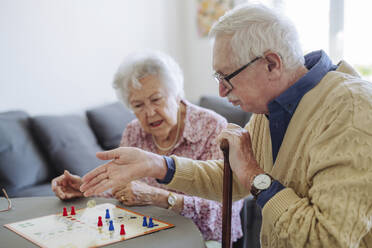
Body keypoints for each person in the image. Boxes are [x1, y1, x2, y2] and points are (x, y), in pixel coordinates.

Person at [79, 3, 372, 248]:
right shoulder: (271, 107)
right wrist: (156, 164)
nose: (220, 92)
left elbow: (326, 239)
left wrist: (254, 174)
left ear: (271, 63)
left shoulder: (352, 109)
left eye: (226, 77)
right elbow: (229, 177)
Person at [51, 50, 244, 245]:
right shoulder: (133, 132)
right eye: (138, 105)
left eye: (156, 99)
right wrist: (85, 188)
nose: (150, 113)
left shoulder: (212, 127)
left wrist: (162, 198)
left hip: (202, 237)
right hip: (146, 234)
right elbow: (119, 188)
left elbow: (226, 209)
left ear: (176, 95)